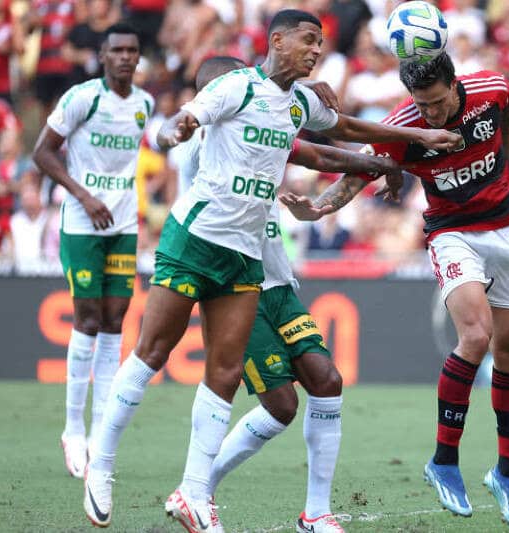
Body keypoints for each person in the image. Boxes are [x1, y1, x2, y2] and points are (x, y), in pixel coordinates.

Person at [82, 10, 460, 531]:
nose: (317, 50)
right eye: (308, 40)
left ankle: (196, 493)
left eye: (322, 43)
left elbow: (343, 130)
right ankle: (100, 464)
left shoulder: (297, 102)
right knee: (151, 353)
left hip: (245, 255)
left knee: (225, 373)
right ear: (276, 41)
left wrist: (413, 142)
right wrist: (175, 129)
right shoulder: (235, 88)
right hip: (194, 239)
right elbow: (189, 115)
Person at [282, 52, 509, 532]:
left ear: (455, 85)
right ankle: (443, 460)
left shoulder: (490, 88)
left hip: (508, 226)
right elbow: (359, 174)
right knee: (476, 338)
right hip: (452, 231)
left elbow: (507, 110)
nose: (431, 114)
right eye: (423, 104)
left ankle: (508, 473)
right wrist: (318, 208)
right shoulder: (404, 126)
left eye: (437, 103)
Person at [185, 55, 401, 533]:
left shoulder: (262, 120)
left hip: (279, 282)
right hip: (237, 287)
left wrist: (297, 98)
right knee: (281, 405)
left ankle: (316, 514)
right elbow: (317, 155)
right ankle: (196, 487)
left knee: (326, 380)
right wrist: (378, 160)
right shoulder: (207, 144)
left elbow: (295, 136)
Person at [32, 22, 153, 480]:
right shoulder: (83, 97)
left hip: (122, 224)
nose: (125, 57)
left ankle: (102, 426)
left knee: (115, 318)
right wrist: (83, 196)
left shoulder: (144, 104)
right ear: (103, 55)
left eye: (132, 50)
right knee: (85, 318)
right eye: (117, 50)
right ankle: (72, 430)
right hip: (83, 222)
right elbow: (41, 153)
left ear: (138, 57)